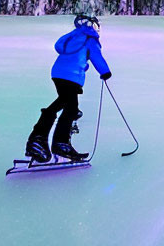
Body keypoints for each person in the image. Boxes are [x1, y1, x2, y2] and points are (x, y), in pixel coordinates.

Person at [25, 13, 112, 163]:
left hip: (58, 73)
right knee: (70, 108)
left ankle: (39, 140)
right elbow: (97, 57)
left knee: (64, 103)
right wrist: (105, 72)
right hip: (71, 77)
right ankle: (59, 143)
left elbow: (67, 54)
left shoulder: (73, 37)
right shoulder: (90, 40)